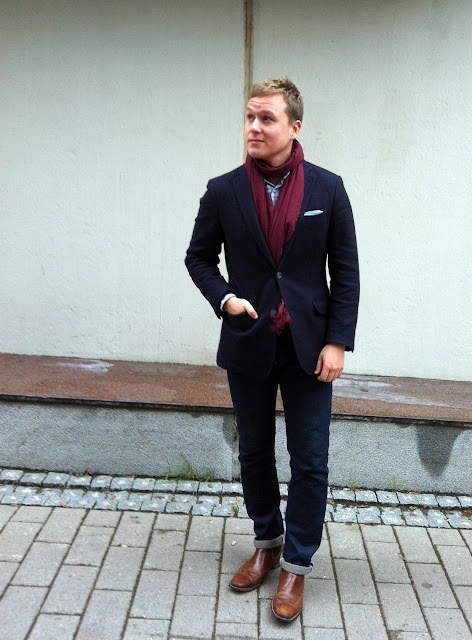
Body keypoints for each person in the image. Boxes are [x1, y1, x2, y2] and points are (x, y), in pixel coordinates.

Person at [185, 77, 359, 622]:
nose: (254, 127)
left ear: (294, 127)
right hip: (249, 340)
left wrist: (337, 341)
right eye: (249, 117)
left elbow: (346, 271)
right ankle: (267, 542)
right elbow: (198, 258)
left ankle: (296, 565)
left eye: (267, 119)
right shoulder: (223, 190)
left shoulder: (328, 189)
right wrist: (226, 299)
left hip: (310, 347)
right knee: (254, 452)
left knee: (310, 459)